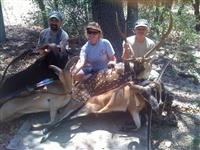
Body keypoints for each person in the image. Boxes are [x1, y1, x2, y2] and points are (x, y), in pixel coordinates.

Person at [0, 11, 69, 100]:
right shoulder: (44, 33)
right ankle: (5, 94)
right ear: (49, 21)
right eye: (52, 20)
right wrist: (35, 52)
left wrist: (51, 49)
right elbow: (39, 49)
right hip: (44, 62)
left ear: (61, 22)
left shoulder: (64, 35)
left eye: (56, 21)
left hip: (55, 67)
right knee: (17, 78)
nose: (54, 23)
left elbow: (63, 54)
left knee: (33, 83)